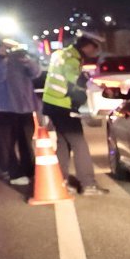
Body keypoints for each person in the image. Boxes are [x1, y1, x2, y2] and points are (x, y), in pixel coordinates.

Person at [41, 33, 108, 195]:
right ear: (88, 46)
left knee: (64, 143)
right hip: (62, 105)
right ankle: (88, 184)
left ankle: (60, 180)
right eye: (95, 48)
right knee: (79, 144)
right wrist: (99, 88)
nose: (95, 53)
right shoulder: (71, 59)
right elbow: (75, 79)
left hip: (52, 104)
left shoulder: (61, 54)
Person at [0, 40, 42, 185]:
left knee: (26, 141)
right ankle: (14, 173)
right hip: (5, 108)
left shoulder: (19, 59)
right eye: (3, 46)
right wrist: (3, 60)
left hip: (25, 107)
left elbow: (36, 73)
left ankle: (29, 169)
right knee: (8, 144)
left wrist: (28, 61)